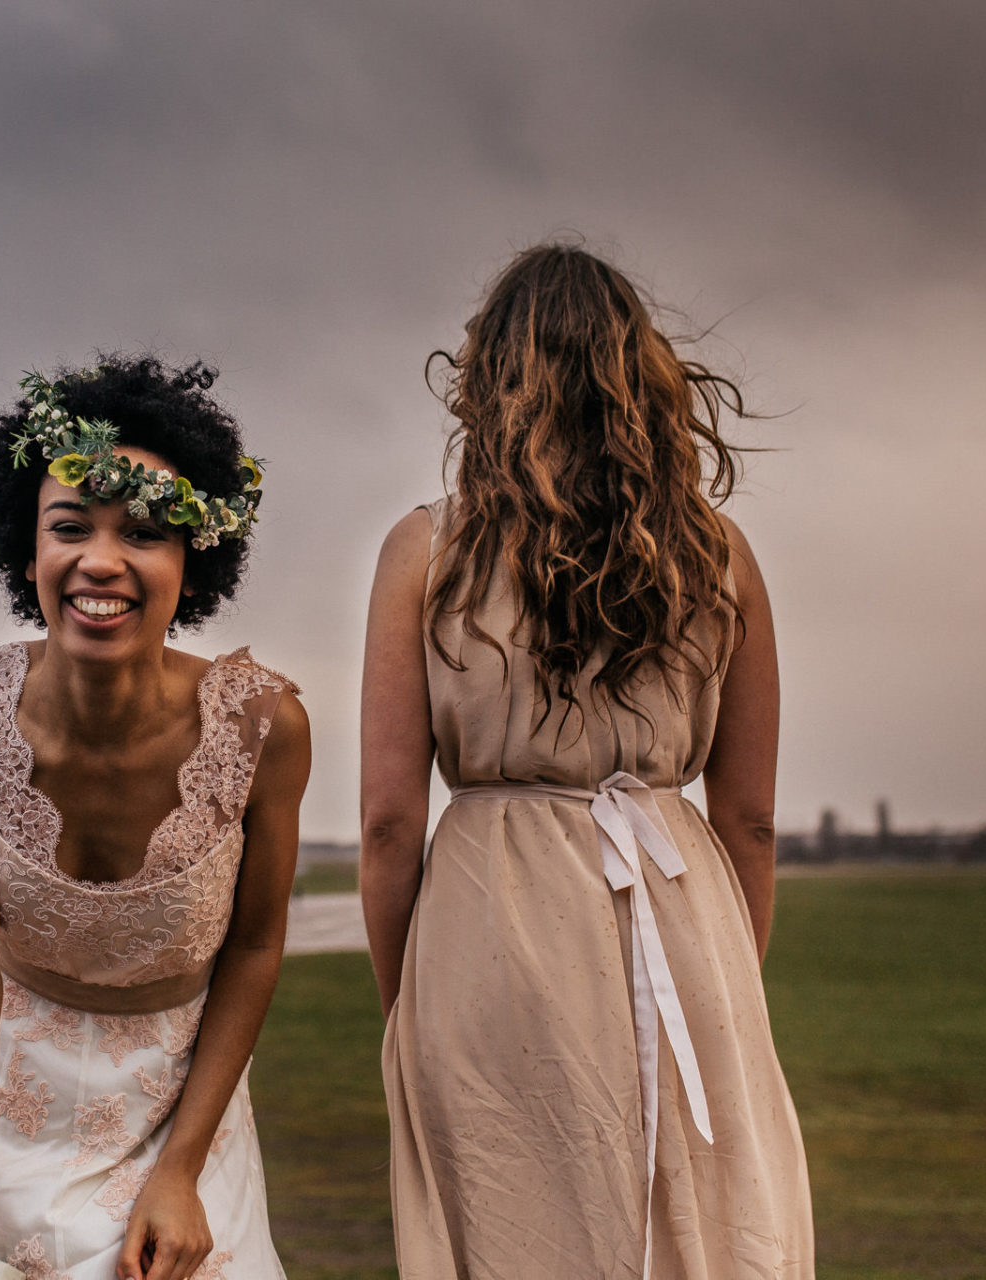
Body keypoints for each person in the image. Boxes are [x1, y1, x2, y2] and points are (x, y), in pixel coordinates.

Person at [360, 245, 814, 1278]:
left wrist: (410, 1005)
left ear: (488, 383)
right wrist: (724, 977)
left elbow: (389, 820)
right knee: (699, 1229)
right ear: (645, 384)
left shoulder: (426, 552)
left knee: (514, 1232)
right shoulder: (720, 556)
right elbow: (748, 818)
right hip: (684, 912)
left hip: (487, 934)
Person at [0, 358, 309, 1280]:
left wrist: (182, 1171)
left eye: (145, 534)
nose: (100, 561)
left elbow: (254, 947)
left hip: (184, 1118)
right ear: (26, 551)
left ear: (192, 558)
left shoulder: (265, 727)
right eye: (69, 528)